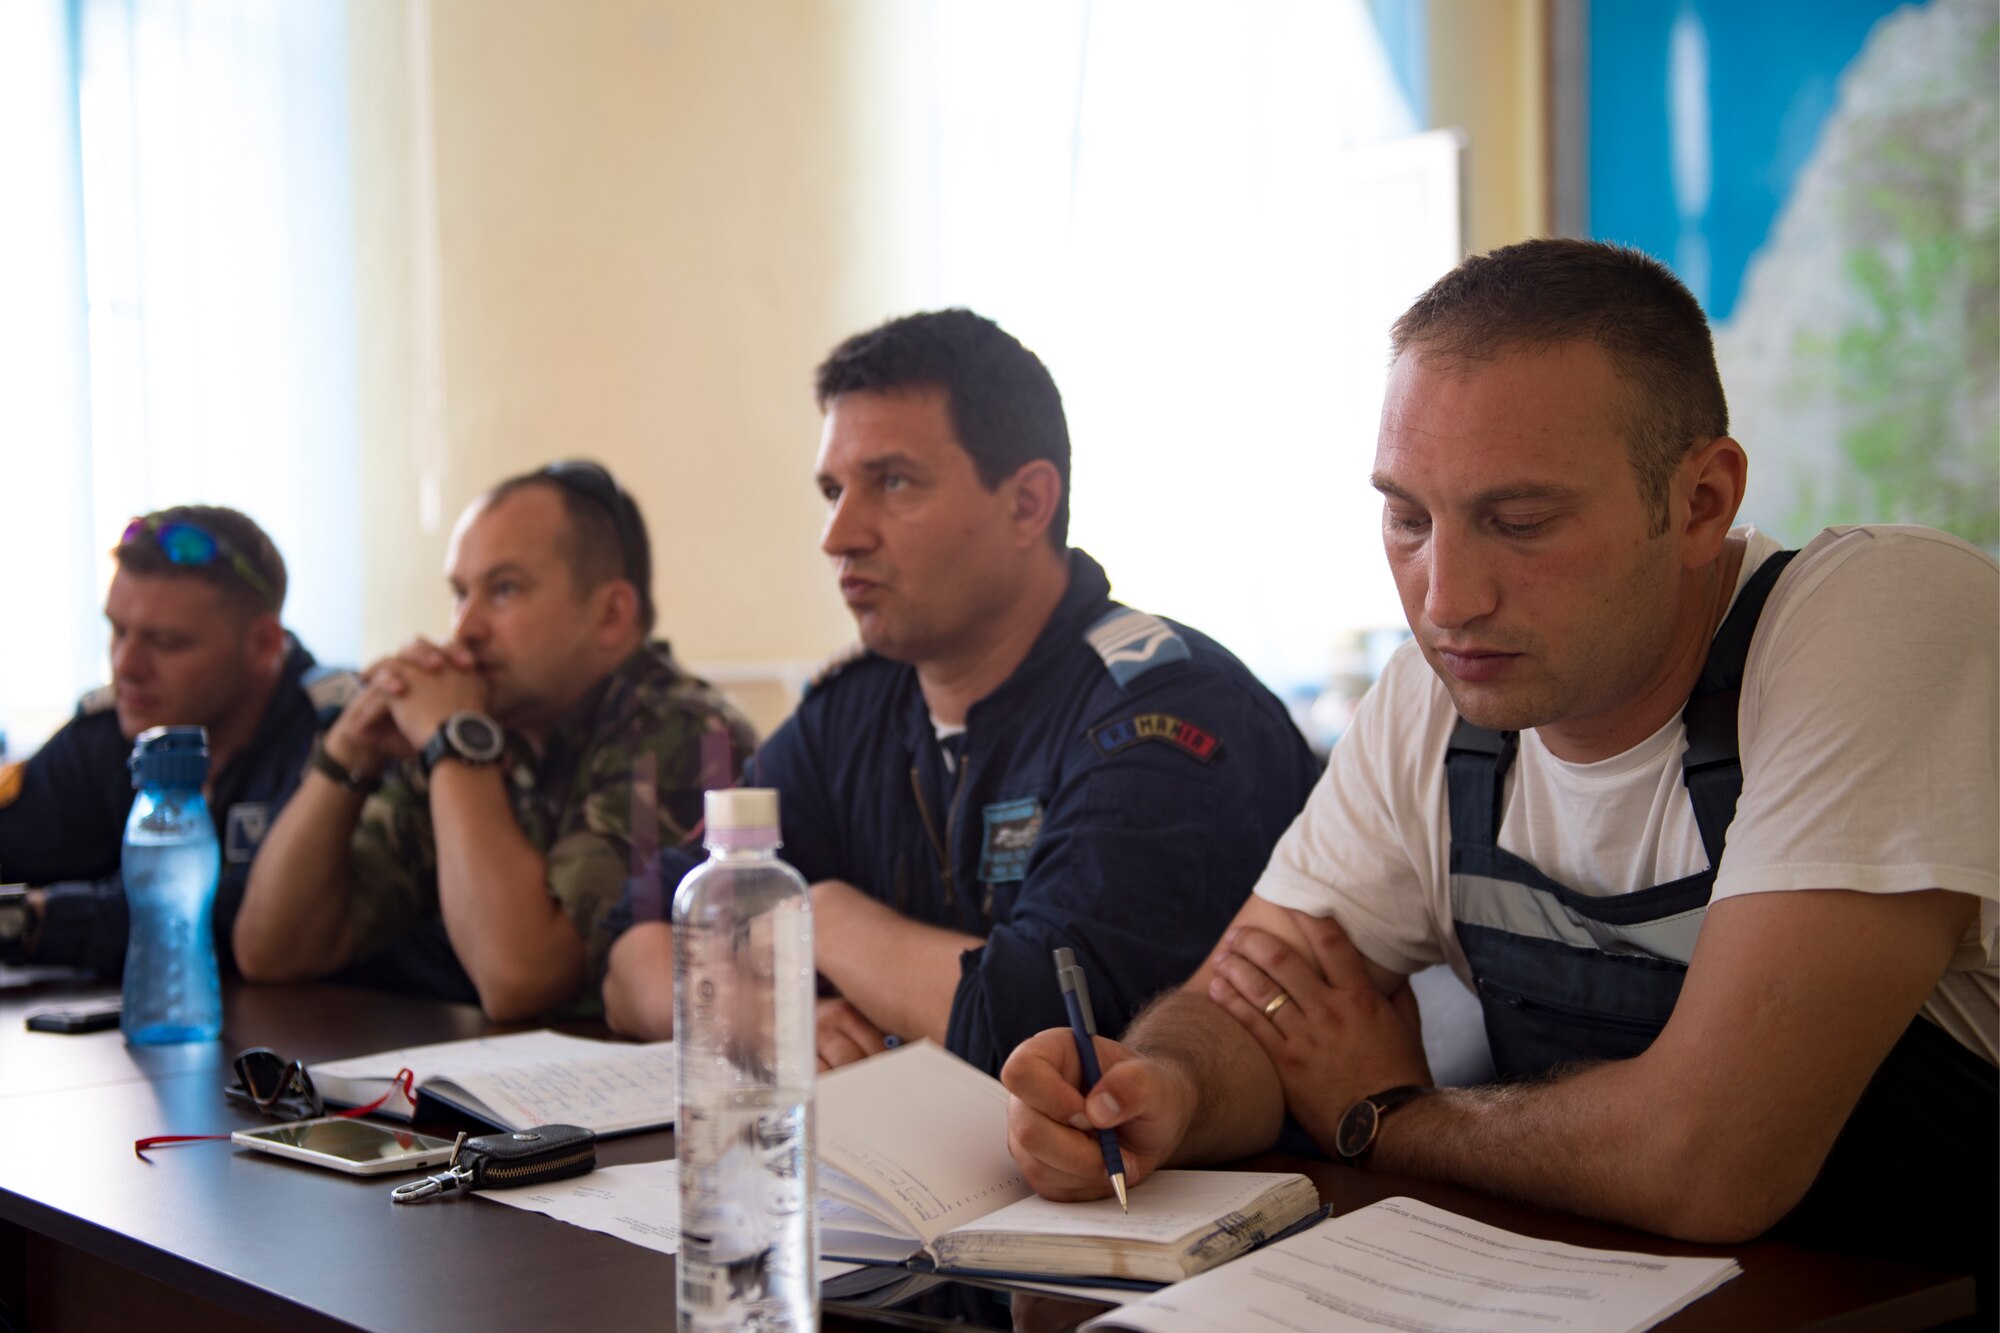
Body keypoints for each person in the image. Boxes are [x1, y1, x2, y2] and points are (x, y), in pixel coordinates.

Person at [1002, 240, 1998, 1305]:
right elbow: (1256, 1004)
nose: (1445, 599)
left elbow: (1705, 1160)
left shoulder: (1880, 619)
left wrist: (1383, 1115)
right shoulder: (1434, 699)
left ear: (1701, 500)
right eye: (1406, 519)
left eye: (1517, 523)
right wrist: (1165, 1086)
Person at [601, 309, 1321, 1074]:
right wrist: (764, 1018)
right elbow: (635, 944)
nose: (839, 535)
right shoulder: (851, 711)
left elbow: (1041, 1033)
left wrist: (817, 912)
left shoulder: (1164, 709)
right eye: (833, 490)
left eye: (894, 482)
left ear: (1026, 504)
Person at [233, 461, 757, 1021]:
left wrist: (457, 743)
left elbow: (523, 979)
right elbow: (271, 952)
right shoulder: (478, 720)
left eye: (504, 590)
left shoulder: (692, 734)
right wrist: (348, 753)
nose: (465, 628)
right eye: (461, 593)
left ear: (610, 614)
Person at [0, 506, 353, 975]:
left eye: (165, 642)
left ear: (264, 645)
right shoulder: (111, 733)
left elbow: (233, 914)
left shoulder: (341, 739)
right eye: (117, 631)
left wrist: (33, 920)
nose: (126, 666)